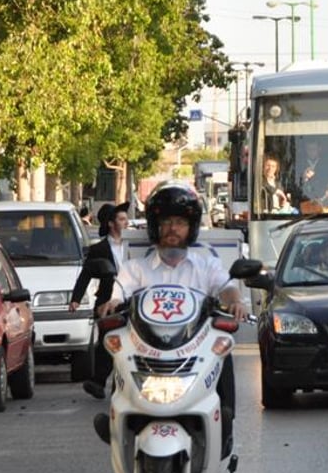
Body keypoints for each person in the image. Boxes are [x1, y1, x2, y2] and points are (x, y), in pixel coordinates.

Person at [92, 183, 247, 458]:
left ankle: (226, 421)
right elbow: (119, 291)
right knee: (118, 350)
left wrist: (234, 300)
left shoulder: (206, 265)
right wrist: (113, 302)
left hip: (193, 347)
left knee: (223, 347)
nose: (173, 228)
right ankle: (117, 419)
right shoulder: (135, 269)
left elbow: (226, 286)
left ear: (191, 227)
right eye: (166, 222)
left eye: (180, 222)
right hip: (146, 349)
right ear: (155, 226)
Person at [69, 202, 130, 400]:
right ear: (111, 224)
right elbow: (86, 274)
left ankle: (125, 386)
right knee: (108, 343)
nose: (126, 222)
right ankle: (98, 382)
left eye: (125, 218)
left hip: (134, 302)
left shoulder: (134, 245)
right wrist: (75, 299)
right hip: (107, 302)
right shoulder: (100, 249)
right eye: (121, 219)